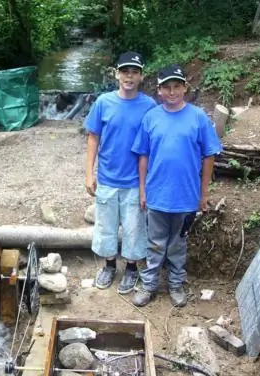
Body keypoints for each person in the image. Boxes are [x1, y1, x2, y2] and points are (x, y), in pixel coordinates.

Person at [130, 64, 222, 307]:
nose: (172, 92)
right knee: (155, 243)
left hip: (186, 197)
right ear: (159, 90)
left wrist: (204, 194)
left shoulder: (198, 117)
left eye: (177, 87)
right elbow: (143, 157)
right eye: (167, 88)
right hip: (157, 195)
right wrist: (142, 190)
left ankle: (175, 284)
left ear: (185, 88)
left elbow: (209, 155)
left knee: (178, 244)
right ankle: (149, 285)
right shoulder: (151, 117)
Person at [84, 51, 157, 294]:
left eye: (134, 72)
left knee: (134, 227)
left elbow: (154, 143)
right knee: (106, 226)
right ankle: (108, 265)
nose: (129, 76)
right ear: (117, 74)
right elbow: (93, 138)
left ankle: (132, 269)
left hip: (136, 180)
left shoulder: (149, 106)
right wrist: (89, 173)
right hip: (107, 177)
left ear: (141, 76)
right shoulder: (104, 102)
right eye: (125, 71)